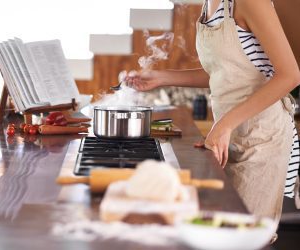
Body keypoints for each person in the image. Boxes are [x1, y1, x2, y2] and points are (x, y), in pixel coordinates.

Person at [126, 0, 300, 226]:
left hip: (262, 136)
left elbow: (290, 76)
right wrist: (163, 77)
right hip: (228, 135)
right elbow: (223, 73)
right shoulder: (210, 4)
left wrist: (224, 125)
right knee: (222, 229)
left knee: (243, 235)